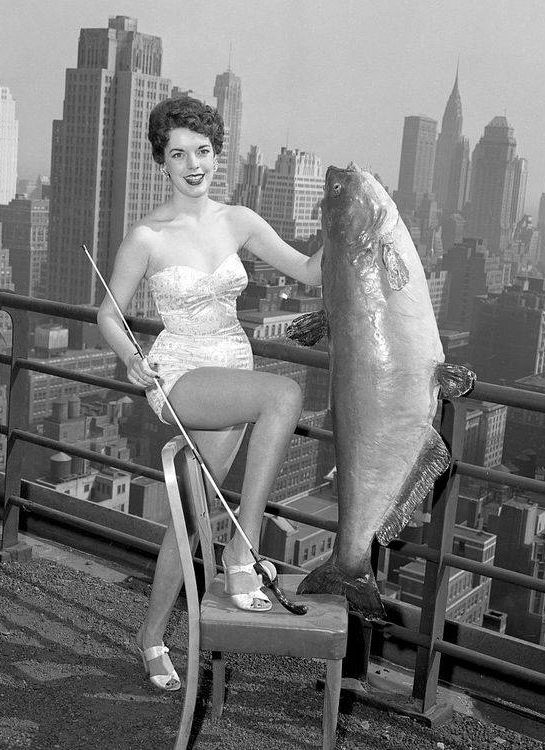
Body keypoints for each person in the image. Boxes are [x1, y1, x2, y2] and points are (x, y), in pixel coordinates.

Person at [97, 97, 323, 691]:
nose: (193, 164)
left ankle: (149, 639)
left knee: (188, 516)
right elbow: (108, 314)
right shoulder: (146, 237)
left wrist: (348, 221)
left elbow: (312, 273)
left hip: (231, 367)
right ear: (162, 163)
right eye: (178, 154)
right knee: (282, 396)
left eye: (202, 151)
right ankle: (242, 556)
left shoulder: (241, 220)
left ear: (217, 154)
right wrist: (131, 361)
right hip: (181, 374)